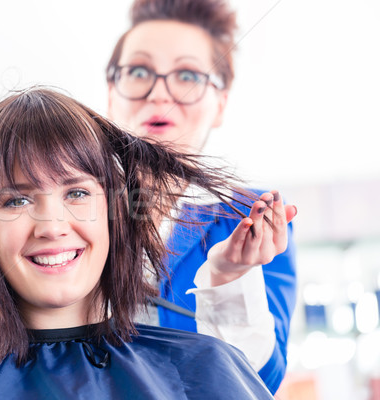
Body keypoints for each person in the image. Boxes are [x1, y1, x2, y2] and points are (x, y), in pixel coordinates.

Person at [0, 87, 293, 399]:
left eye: (76, 193)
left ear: (115, 212)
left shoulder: (205, 371)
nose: (52, 225)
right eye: (17, 200)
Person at [105, 0, 297, 393]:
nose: (159, 94)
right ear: (112, 91)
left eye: (188, 76)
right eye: (139, 71)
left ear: (221, 102)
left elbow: (260, 382)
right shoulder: (66, 209)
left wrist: (231, 278)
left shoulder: (251, 219)